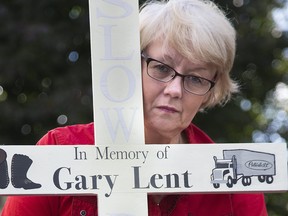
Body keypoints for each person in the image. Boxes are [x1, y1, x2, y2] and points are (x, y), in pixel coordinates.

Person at [2, 0, 268, 215]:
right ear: (131, 66)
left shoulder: (237, 184)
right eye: (162, 68)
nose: (174, 90)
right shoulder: (56, 152)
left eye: (196, 78)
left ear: (211, 91)